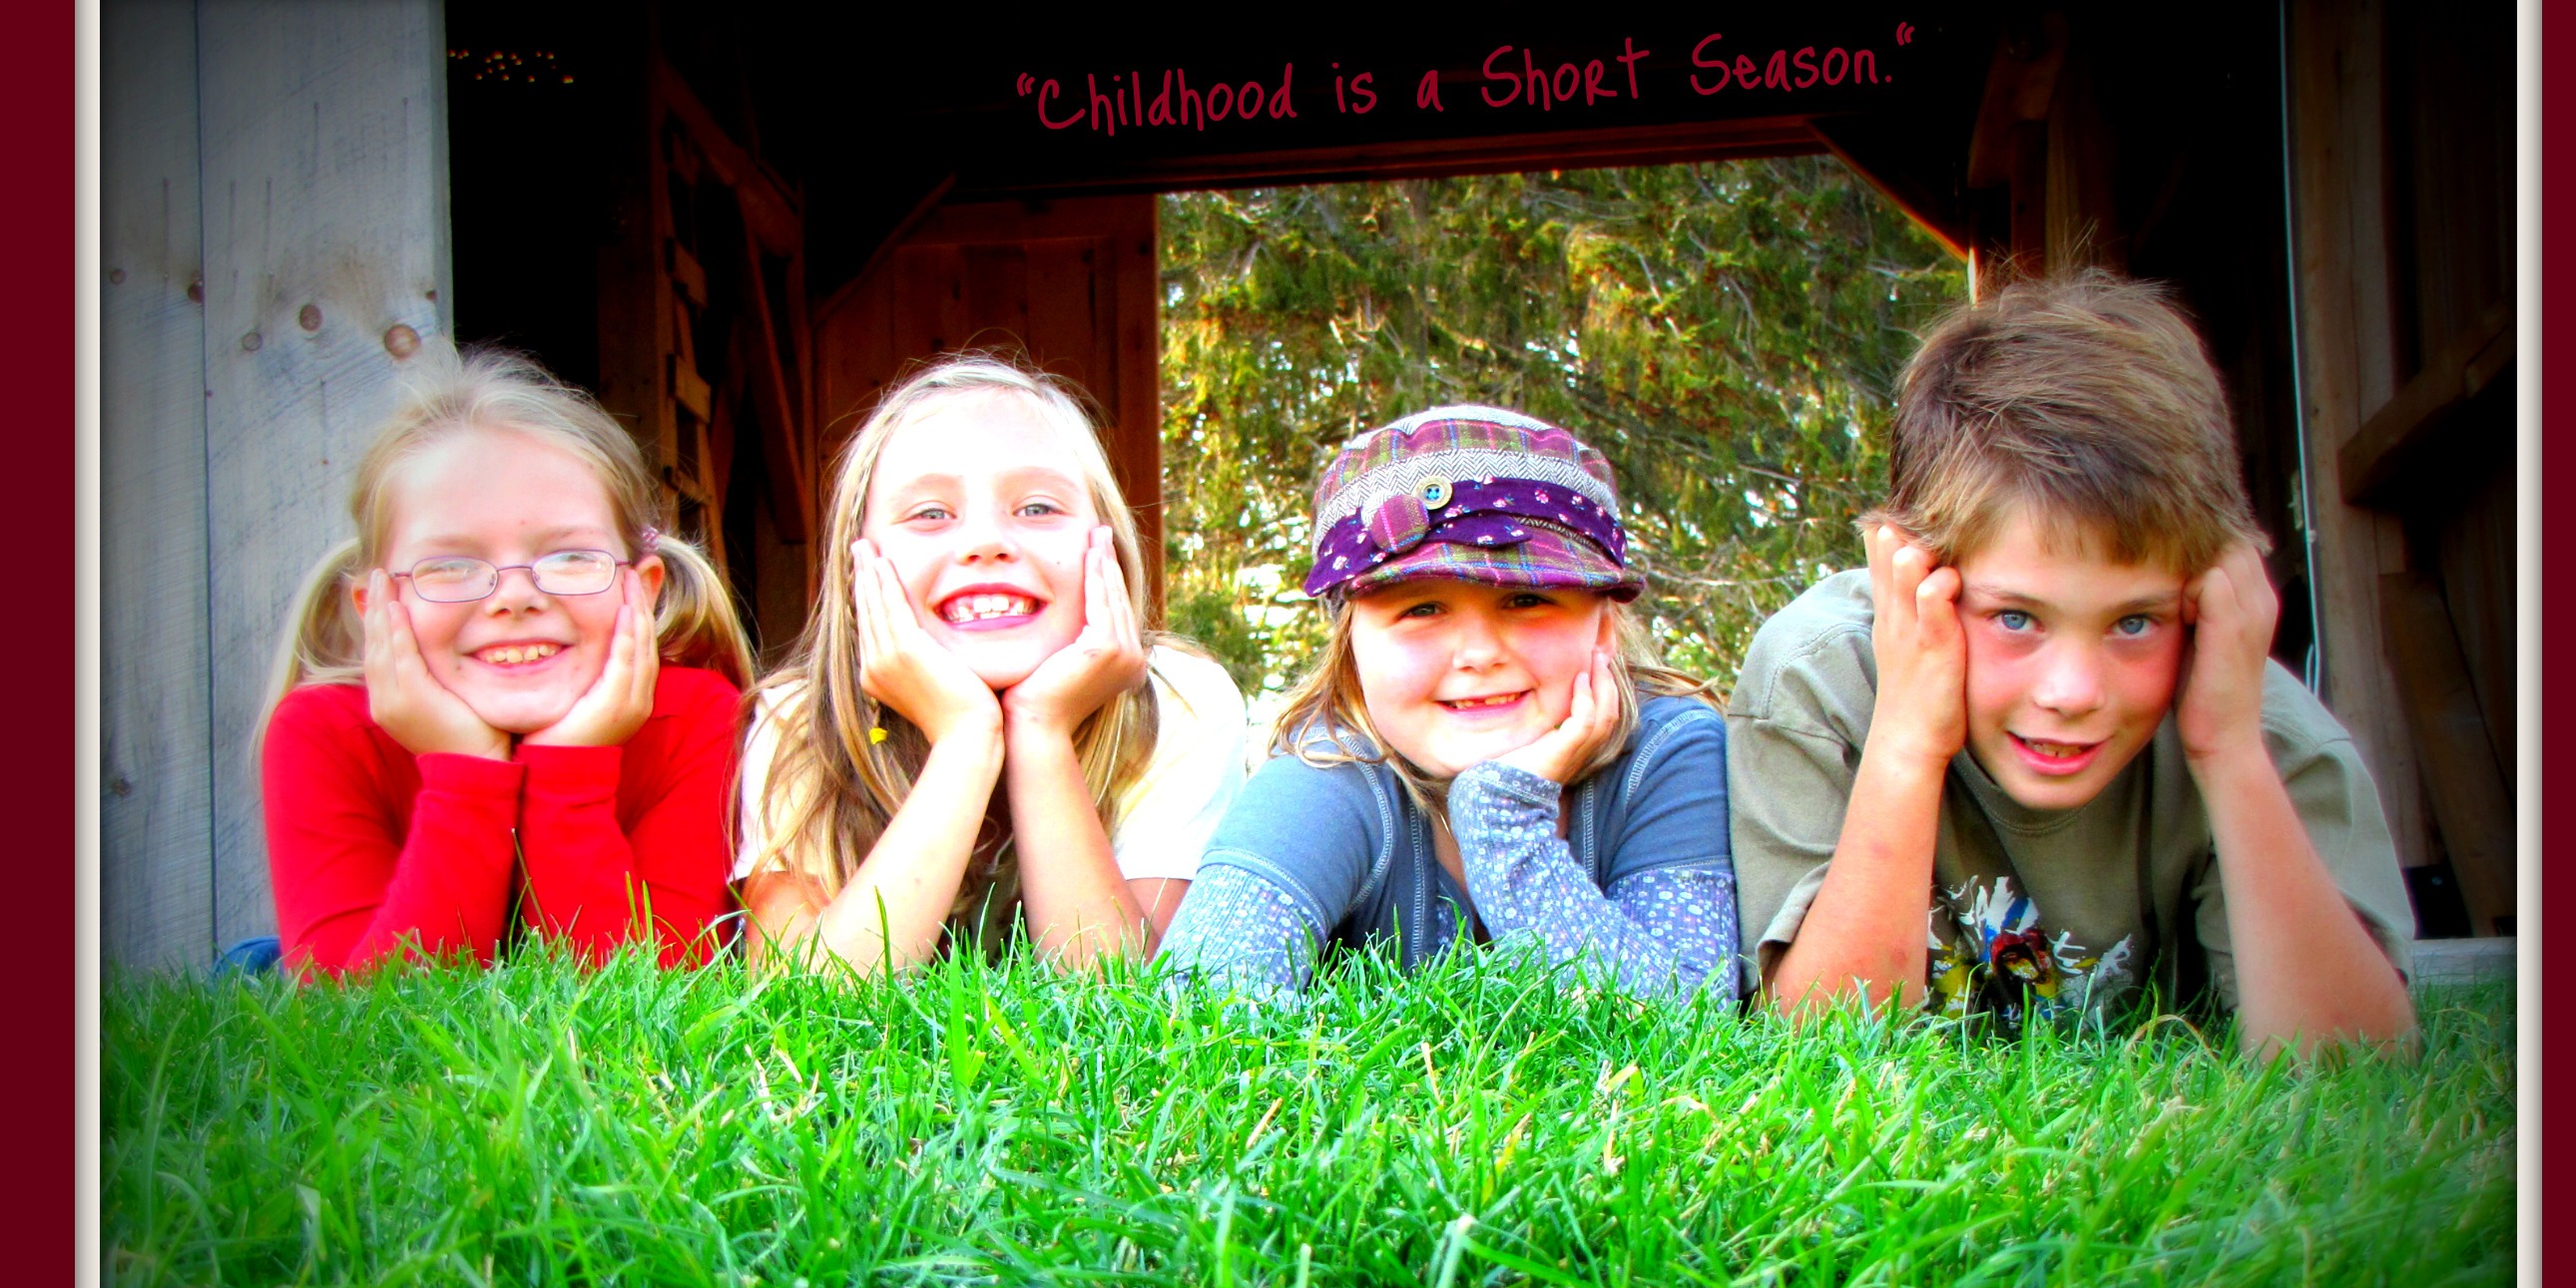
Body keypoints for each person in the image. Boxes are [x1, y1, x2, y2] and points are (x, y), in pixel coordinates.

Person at [1726, 271, 2416, 1056]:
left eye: (2134, 622)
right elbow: (1820, 1049)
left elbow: (2355, 1069)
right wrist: (1907, 741)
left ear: (2207, 597)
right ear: (1911, 576)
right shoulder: (1819, 682)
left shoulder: (2263, 727)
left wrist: (2230, 754)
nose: (2073, 693)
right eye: (2016, 617)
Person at [1162, 403, 1740, 1002]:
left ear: (1604, 627)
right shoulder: (1327, 773)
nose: (1479, 655)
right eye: (1422, 609)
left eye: (1527, 600)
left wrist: (1504, 820)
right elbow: (1197, 1001)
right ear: (1349, 644)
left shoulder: (1667, 752)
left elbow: (1686, 1017)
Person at [258, 346, 757, 980]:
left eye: (569, 557)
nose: (515, 597)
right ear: (377, 605)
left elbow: (661, 994)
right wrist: (463, 774)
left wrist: (568, 771)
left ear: (643, 587)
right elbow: (357, 1018)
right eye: (450, 565)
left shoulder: (695, 719)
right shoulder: (324, 733)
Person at [739, 355, 1249, 973]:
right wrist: (965, 739)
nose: (986, 542)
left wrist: (1040, 729)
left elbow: (1128, 1001)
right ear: (858, 567)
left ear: (1107, 543)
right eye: (930, 514)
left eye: (1037, 508)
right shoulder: (800, 720)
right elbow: (805, 1000)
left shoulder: (1182, 701)